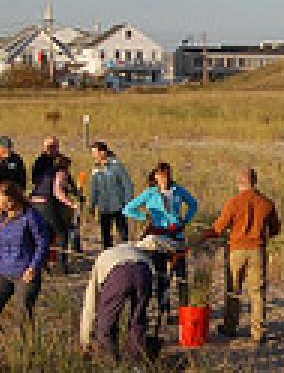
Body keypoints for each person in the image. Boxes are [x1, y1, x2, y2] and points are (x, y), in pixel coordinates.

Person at [206, 167, 281, 345]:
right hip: (257, 250)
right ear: (255, 181)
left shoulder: (234, 202)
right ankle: (258, 332)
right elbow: (276, 229)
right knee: (257, 292)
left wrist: (204, 235)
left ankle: (230, 326)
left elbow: (219, 228)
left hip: (236, 250)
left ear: (239, 182)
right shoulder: (267, 203)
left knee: (233, 289)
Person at [79, 236, 178, 362]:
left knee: (106, 322)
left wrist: (85, 341)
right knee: (138, 320)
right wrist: (177, 247)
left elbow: (90, 304)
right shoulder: (135, 246)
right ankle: (137, 362)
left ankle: (110, 362)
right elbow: (154, 239)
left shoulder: (102, 259)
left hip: (119, 274)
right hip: (144, 272)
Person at [0, 182, 50, 356]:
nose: (3, 206)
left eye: (6, 202)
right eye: (0, 203)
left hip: (24, 274)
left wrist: (33, 267)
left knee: (22, 316)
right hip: (3, 272)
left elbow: (43, 242)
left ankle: (24, 355)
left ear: (14, 198)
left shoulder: (30, 216)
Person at [124, 163, 200, 314]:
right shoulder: (150, 193)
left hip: (176, 237)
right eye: (161, 176)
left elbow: (193, 205)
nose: (165, 179)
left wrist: (185, 220)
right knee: (161, 277)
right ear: (156, 176)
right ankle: (163, 310)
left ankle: (184, 309)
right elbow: (128, 209)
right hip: (157, 239)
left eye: (167, 175)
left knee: (181, 276)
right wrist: (145, 216)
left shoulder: (178, 190)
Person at [29, 154, 83, 267]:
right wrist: (72, 204)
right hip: (46, 205)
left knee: (46, 233)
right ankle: (63, 264)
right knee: (63, 233)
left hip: (34, 204)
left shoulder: (47, 173)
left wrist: (74, 191)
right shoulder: (61, 173)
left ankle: (43, 264)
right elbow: (58, 192)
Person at [87, 142, 135, 248]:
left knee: (122, 233)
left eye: (95, 153)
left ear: (103, 152)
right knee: (105, 235)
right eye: (92, 153)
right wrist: (92, 205)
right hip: (103, 207)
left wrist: (128, 204)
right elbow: (94, 189)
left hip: (119, 206)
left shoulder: (117, 166)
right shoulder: (96, 169)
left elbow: (128, 185)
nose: (94, 156)